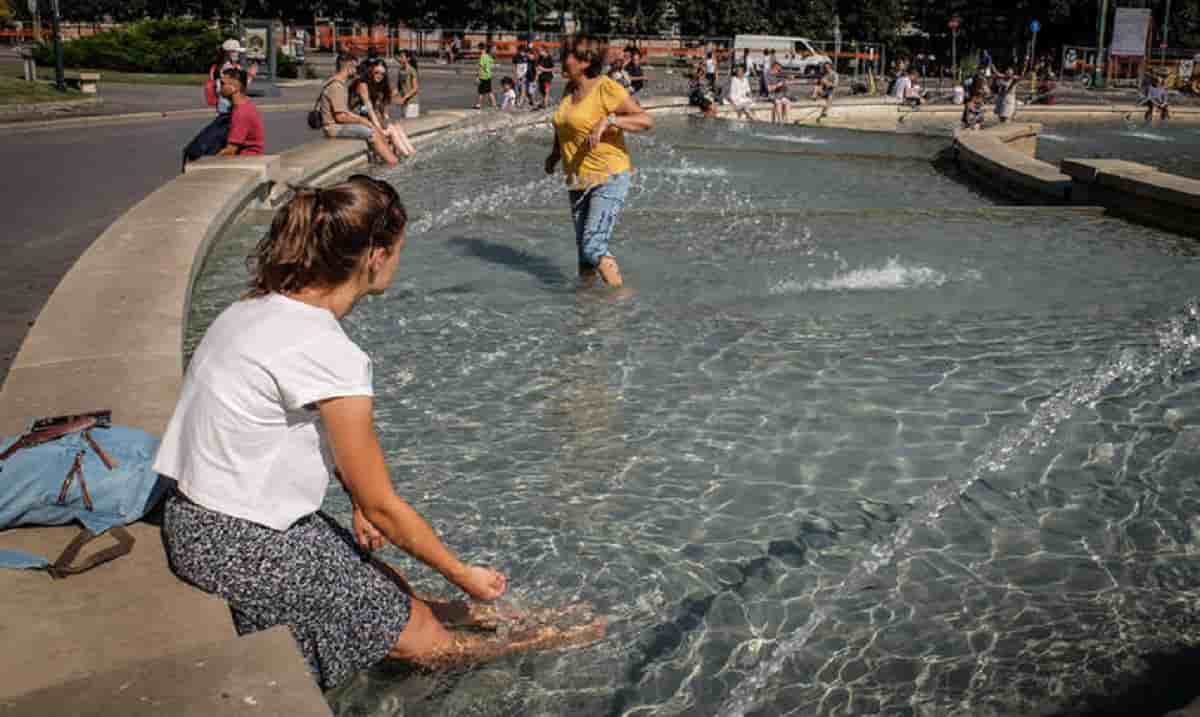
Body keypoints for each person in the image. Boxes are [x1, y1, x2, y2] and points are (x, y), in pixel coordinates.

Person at [156, 175, 605, 691]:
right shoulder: (329, 352)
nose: (398, 262)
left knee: (387, 583)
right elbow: (386, 508)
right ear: (374, 256)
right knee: (425, 642)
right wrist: (463, 573)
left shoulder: (253, 308)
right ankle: (543, 639)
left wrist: (356, 499)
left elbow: (300, 436)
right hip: (241, 546)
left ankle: (446, 612)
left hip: (196, 520)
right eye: (398, 250)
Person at [545, 36, 654, 290]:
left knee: (593, 245)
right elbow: (563, 125)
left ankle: (621, 300)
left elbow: (646, 120)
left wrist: (611, 121)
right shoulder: (569, 90)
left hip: (608, 176)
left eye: (566, 55)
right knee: (584, 254)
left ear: (584, 61)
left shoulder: (606, 87)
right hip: (577, 178)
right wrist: (554, 154)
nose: (561, 60)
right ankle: (586, 306)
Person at [318, 53, 398, 167]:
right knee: (372, 133)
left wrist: (363, 121)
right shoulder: (337, 86)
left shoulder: (338, 83)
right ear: (348, 66)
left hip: (335, 126)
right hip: (333, 128)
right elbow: (341, 116)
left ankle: (386, 160)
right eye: (355, 67)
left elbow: (345, 112)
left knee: (372, 128)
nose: (356, 70)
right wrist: (362, 121)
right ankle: (392, 163)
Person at [351, 57, 415, 158]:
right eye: (376, 72)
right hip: (358, 118)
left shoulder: (379, 86)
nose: (379, 76)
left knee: (397, 127)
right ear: (371, 70)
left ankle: (412, 154)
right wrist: (380, 128)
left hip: (371, 116)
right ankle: (407, 156)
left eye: (382, 74)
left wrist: (387, 121)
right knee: (391, 130)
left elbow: (383, 110)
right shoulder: (363, 84)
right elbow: (369, 108)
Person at [216, 68, 264, 156]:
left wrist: (205, 161)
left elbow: (230, 151)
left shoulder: (241, 113)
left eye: (222, 84)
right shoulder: (243, 105)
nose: (218, 87)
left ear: (235, 87)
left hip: (245, 159)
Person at [396, 50, 420, 118]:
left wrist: (404, 98)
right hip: (404, 103)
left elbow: (415, 88)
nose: (399, 58)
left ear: (408, 59)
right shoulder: (400, 70)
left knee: (411, 124)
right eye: (399, 57)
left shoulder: (412, 70)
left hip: (412, 103)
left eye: (401, 57)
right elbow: (399, 87)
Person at [474, 43, 496, 109]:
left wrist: (477, 77)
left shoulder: (482, 56)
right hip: (488, 76)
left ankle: (479, 104)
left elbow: (480, 67)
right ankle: (494, 104)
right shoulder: (489, 57)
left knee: (481, 92)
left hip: (483, 76)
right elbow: (492, 64)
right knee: (489, 91)